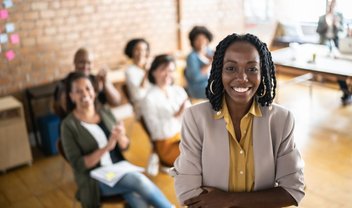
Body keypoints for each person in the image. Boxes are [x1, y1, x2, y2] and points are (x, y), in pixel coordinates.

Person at [172, 33, 305, 207]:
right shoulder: (195, 118)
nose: (242, 78)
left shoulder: (281, 120)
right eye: (231, 68)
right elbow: (188, 194)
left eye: (251, 69)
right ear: (219, 71)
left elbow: (293, 190)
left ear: (262, 72)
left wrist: (229, 199)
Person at [60, 72, 173, 208]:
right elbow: (79, 164)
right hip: (94, 179)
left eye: (88, 88)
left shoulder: (105, 112)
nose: (85, 93)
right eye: (78, 91)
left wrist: (120, 136)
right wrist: (107, 147)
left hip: (118, 169)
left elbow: (124, 146)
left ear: (94, 91)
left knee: (134, 195)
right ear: (71, 96)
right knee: (138, 181)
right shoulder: (68, 125)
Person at [141, 54, 190, 167]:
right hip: (167, 145)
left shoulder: (178, 90)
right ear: (153, 72)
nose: (168, 74)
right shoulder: (149, 99)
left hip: (187, 138)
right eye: (163, 70)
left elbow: (192, 120)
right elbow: (157, 132)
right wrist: (176, 116)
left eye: (171, 70)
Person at [53, 48, 121, 119]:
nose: (85, 66)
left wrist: (106, 82)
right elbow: (66, 109)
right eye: (81, 62)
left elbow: (116, 102)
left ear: (93, 64)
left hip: (98, 121)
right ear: (75, 62)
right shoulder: (65, 83)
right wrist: (95, 91)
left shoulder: (96, 79)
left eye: (89, 63)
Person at [316, 0, 351, 105]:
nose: (331, 5)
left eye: (333, 4)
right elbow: (318, 31)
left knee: (340, 68)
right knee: (333, 68)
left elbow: (342, 30)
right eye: (330, 4)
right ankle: (346, 92)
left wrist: (336, 24)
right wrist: (325, 26)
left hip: (336, 44)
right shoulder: (322, 17)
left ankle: (346, 92)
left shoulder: (339, 16)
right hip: (325, 44)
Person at [184, 26, 214, 99]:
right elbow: (196, 77)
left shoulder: (209, 51)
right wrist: (210, 63)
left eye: (203, 39)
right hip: (197, 88)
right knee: (219, 92)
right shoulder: (192, 57)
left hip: (211, 84)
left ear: (207, 40)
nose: (201, 42)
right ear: (193, 42)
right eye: (197, 40)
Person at [124, 38, 151, 117]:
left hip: (153, 99)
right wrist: (147, 72)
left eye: (144, 50)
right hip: (142, 105)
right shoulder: (130, 71)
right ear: (131, 51)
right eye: (137, 50)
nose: (141, 53)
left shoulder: (149, 65)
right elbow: (139, 93)